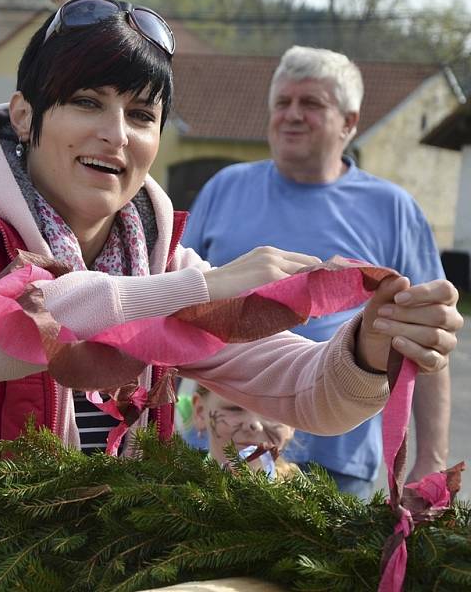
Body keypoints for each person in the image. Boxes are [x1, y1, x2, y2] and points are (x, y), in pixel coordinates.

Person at [0, 0, 462, 492]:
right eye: (86, 102)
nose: (115, 134)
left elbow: (309, 394)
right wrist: (182, 291)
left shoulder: (156, 256)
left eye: (142, 115)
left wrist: (366, 347)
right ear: (23, 115)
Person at [182, 46, 452, 498]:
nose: (291, 115)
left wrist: (430, 462)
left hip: (337, 460)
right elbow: (174, 311)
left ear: (349, 123)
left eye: (310, 104)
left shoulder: (392, 208)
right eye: (282, 103)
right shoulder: (225, 188)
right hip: (219, 443)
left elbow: (425, 345)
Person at [180, 384, 297, 479]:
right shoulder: (172, 497)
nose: (255, 424)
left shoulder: (302, 502)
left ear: (293, 423)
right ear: (200, 413)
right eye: (234, 409)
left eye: (271, 411)